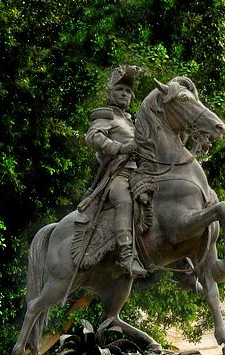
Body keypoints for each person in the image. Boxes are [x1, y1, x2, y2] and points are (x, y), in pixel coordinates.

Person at [83, 65, 146, 277]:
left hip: (140, 172)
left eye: (128, 91)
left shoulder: (133, 122)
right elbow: (93, 137)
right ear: (110, 93)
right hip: (117, 173)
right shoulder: (106, 116)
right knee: (124, 200)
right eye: (120, 89)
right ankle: (126, 254)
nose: (124, 94)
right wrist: (119, 148)